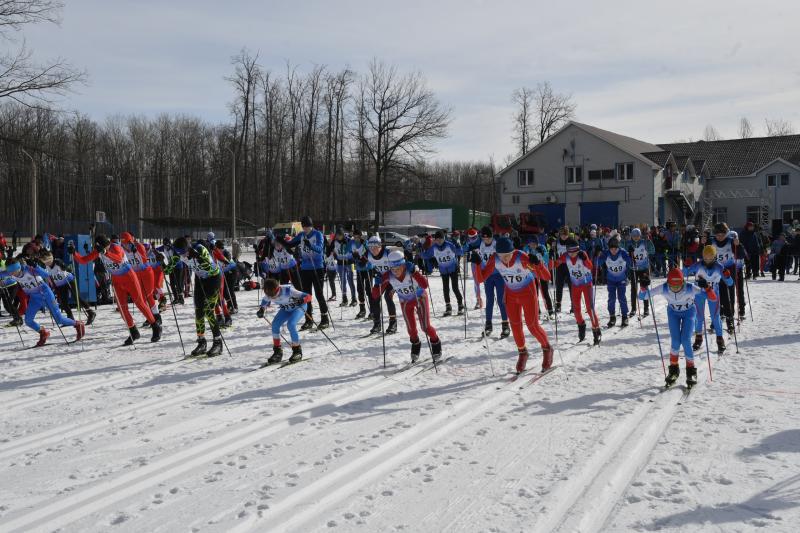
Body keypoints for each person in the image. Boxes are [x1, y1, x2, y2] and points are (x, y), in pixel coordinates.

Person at [473, 237, 553, 373]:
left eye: (508, 255)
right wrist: (477, 263)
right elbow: (481, 279)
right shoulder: (495, 259)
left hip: (527, 293)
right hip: (511, 295)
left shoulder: (521, 257)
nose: (505, 259)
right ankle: (522, 353)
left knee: (532, 326)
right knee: (515, 327)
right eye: (502, 256)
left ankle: (547, 349)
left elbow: (546, 276)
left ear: (513, 251)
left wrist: (538, 263)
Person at [72, 235, 162, 345]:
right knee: (122, 308)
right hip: (117, 280)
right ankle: (133, 331)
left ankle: (155, 326)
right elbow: (83, 260)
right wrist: (74, 253)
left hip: (129, 277)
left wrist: (106, 252)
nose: (106, 248)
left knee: (140, 303)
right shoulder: (98, 251)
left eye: (106, 246)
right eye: (103, 248)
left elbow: (118, 259)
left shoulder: (116, 247)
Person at [639, 268, 717, 388]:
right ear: (668, 283)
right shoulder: (664, 287)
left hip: (689, 313)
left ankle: (691, 371)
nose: (675, 289)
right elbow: (642, 297)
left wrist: (707, 286)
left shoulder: (690, 288)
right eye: (672, 287)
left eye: (678, 286)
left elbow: (712, 298)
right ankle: (674, 370)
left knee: (685, 340)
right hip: (673, 313)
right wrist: (643, 286)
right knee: (675, 341)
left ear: (683, 282)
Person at [372, 250, 441, 363]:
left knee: (425, 327)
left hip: (419, 298)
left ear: (403, 265)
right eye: (393, 269)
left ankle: (435, 342)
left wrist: (415, 272)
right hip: (405, 302)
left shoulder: (411, 270)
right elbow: (375, 295)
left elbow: (425, 285)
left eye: (398, 268)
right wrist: (377, 284)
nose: (395, 272)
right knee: (411, 330)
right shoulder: (388, 275)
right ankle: (416, 344)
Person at [1, 257, 85, 346]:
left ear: (18, 268)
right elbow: (4, 275)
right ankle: (43, 332)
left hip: (46, 295)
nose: (11, 274)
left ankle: (78, 324)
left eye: (13, 272)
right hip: (34, 298)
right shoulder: (11, 272)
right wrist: (4, 283)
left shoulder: (29, 269)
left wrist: (36, 266)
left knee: (59, 319)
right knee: (28, 320)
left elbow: (46, 274)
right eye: (9, 272)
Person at [165, 237, 224, 357]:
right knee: (199, 312)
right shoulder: (179, 253)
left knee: (208, 311)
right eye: (180, 253)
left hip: (213, 279)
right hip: (200, 279)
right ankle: (201, 342)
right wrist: (161, 263)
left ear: (188, 248)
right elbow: (168, 269)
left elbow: (210, 268)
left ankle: (218, 342)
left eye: (184, 252)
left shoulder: (200, 249)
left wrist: (198, 257)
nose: (183, 255)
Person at [683, 245, 732, 353]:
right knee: (698, 317)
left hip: (713, 294)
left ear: (714, 256)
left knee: (715, 317)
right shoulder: (698, 265)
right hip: (699, 293)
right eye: (705, 257)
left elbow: (730, 283)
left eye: (710, 257)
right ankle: (698, 338)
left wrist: (728, 276)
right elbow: (684, 273)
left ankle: (720, 340)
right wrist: (686, 266)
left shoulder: (719, 267)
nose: (707, 259)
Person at [464, 226, 509, 337]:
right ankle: (488, 325)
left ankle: (505, 325)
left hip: (499, 275)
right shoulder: (481, 245)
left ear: (492, 236)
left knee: (500, 300)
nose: (486, 240)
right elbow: (478, 257)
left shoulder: (497, 244)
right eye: (484, 238)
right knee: (489, 300)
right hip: (488, 276)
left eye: (488, 238)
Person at [287, 216, 330, 330]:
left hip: (317, 267)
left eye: (307, 227)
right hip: (305, 268)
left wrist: (310, 245)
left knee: (319, 294)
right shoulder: (301, 235)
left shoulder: (318, 234)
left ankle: (325, 319)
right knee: (306, 296)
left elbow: (320, 249)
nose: (305, 229)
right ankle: (308, 319)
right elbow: (291, 244)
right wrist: (281, 241)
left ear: (311, 226)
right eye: (304, 227)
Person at [257, 278, 312, 366]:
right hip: (286, 309)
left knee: (291, 324)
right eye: (269, 295)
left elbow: (309, 296)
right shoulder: (268, 293)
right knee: (275, 325)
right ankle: (277, 352)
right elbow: (264, 301)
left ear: (277, 289)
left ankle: (297, 351)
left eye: (274, 294)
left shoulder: (288, 290)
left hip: (299, 308)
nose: (272, 297)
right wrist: (262, 309)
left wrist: (302, 300)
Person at [557, 239, 601, 344]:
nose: (572, 254)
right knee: (576, 310)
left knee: (590, 309)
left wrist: (585, 259)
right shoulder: (565, 256)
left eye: (574, 251)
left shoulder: (582, 254)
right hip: (575, 285)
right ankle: (581, 325)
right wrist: (552, 259)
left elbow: (590, 267)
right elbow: (555, 263)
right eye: (570, 251)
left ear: (578, 249)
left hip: (586, 285)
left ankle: (596, 330)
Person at [39, 250, 96, 325]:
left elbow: (66, 268)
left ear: (51, 258)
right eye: (45, 262)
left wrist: (63, 266)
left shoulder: (57, 262)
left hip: (69, 280)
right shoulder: (46, 267)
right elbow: (49, 277)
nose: (47, 263)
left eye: (48, 261)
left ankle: (90, 312)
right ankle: (70, 318)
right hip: (59, 284)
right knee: (63, 302)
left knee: (77, 298)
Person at [119, 232, 162, 326]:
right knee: (140, 298)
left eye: (127, 243)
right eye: (123, 244)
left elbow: (143, 261)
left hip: (146, 273)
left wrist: (135, 252)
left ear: (131, 241)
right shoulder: (121, 250)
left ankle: (157, 316)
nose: (125, 245)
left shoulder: (139, 247)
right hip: (135, 276)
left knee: (148, 295)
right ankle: (150, 316)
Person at [711, 222, 746, 330]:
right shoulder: (711, 242)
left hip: (730, 269)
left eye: (722, 234)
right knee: (717, 294)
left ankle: (730, 317)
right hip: (717, 270)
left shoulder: (731, 242)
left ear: (726, 233)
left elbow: (741, 255)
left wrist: (738, 245)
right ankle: (718, 316)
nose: (720, 237)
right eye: (717, 235)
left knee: (730, 293)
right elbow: (701, 254)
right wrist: (702, 244)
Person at [421, 230, 464, 316]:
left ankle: (460, 305)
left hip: (453, 269)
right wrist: (421, 249)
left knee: (455, 288)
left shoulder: (449, 245)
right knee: (445, 288)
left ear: (444, 238)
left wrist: (459, 247)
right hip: (443, 270)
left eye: (441, 239)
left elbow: (460, 252)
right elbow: (425, 256)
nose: (439, 241)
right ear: (435, 240)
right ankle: (448, 307)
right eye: (437, 239)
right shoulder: (433, 247)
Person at [366, 235, 398, 335]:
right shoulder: (368, 254)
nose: (373, 250)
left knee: (388, 297)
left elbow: (399, 263)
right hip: (380, 277)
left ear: (380, 246)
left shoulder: (388, 253)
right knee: (374, 297)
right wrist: (357, 259)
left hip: (392, 277)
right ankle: (377, 324)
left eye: (375, 247)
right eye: (371, 247)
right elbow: (362, 261)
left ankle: (393, 323)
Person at [597, 237, 632, 328]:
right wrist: (598, 255)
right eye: (611, 248)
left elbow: (631, 263)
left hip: (621, 280)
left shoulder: (622, 252)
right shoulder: (606, 253)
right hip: (611, 280)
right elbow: (597, 263)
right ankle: (612, 317)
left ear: (618, 247)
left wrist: (631, 255)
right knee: (611, 299)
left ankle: (624, 317)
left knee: (622, 298)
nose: (613, 250)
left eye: (615, 248)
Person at [626, 228, 654, 318]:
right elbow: (622, 249)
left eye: (637, 236)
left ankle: (646, 308)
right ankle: (633, 308)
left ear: (640, 235)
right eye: (634, 236)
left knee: (644, 287)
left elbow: (652, 250)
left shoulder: (645, 242)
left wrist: (649, 243)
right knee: (633, 289)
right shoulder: (629, 243)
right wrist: (628, 250)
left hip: (643, 268)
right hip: (633, 268)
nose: (636, 238)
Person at [331, 228, 357, 307]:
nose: (338, 237)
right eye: (337, 235)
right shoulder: (335, 241)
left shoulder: (349, 240)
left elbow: (355, 251)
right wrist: (335, 255)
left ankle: (354, 299)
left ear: (342, 235)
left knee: (350, 281)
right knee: (343, 281)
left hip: (350, 263)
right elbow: (333, 250)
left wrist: (353, 258)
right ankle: (344, 298)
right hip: (340, 263)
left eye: (339, 235)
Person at [350, 230, 371, 319]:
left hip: (368, 268)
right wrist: (354, 257)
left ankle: (373, 310)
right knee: (360, 289)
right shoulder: (353, 244)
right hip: (359, 269)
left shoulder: (365, 243)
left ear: (361, 237)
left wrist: (365, 259)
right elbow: (352, 253)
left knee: (369, 290)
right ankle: (362, 310)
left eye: (358, 237)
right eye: (354, 237)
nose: (356, 239)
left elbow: (370, 253)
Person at [553, 227, 573, 313]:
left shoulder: (571, 242)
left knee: (571, 286)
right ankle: (558, 304)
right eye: (562, 235)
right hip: (560, 266)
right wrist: (551, 251)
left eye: (565, 234)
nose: (564, 236)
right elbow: (553, 252)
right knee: (559, 285)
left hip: (570, 266)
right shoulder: (556, 242)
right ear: (560, 235)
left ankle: (574, 304)